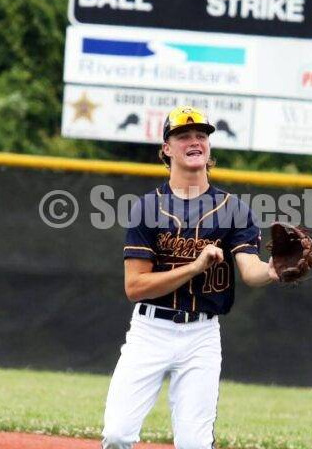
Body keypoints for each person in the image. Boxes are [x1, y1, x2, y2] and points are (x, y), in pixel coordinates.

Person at [102, 106, 279, 449]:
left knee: (194, 444)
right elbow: (135, 287)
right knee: (117, 434)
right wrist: (194, 268)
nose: (195, 141)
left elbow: (250, 269)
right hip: (150, 332)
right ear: (166, 149)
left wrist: (271, 271)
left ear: (209, 148)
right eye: (184, 135)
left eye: (202, 135)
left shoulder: (234, 209)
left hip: (201, 336)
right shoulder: (147, 208)